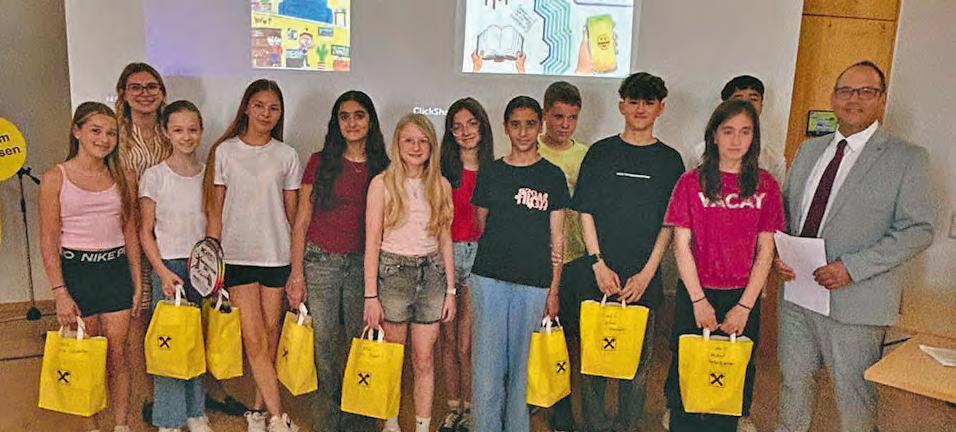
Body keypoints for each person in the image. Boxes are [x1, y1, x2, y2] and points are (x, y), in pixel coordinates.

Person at [773, 61, 935, 432]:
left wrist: (852, 267)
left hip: (857, 299)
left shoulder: (907, 158)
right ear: (833, 98)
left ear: (882, 99)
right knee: (794, 382)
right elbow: (786, 212)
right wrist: (780, 253)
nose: (854, 99)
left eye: (866, 91)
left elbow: (918, 229)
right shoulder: (809, 150)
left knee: (854, 395)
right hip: (798, 293)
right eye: (846, 91)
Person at [663, 99, 784, 431]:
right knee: (687, 378)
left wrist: (744, 307)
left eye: (745, 132)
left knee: (728, 382)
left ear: (754, 137)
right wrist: (698, 301)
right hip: (696, 293)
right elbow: (681, 245)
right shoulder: (691, 182)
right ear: (714, 135)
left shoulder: (766, 185)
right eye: (728, 131)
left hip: (742, 297)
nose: (736, 140)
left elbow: (766, 251)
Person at [574, 72, 684, 432]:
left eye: (648, 102)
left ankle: (627, 425)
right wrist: (597, 263)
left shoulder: (670, 160)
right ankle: (594, 426)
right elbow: (585, 210)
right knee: (593, 363)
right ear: (621, 105)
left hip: (643, 277)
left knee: (637, 365)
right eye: (633, 101)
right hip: (599, 273)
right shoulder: (600, 153)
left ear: (661, 108)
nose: (640, 109)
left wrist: (648, 273)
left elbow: (670, 223)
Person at [287, 90, 389, 432]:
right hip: (321, 263)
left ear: (370, 121)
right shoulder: (320, 161)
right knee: (325, 345)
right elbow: (302, 221)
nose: (352, 123)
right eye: (344, 116)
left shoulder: (383, 167)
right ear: (336, 123)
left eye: (359, 115)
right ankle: (328, 422)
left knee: (361, 343)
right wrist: (296, 274)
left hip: (364, 267)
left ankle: (358, 421)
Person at [204, 79, 301, 432]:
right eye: (259, 105)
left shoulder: (287, 155)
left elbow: (293, 215)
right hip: (237, 257)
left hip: (276, 256)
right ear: (246, 107)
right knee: (255, 339)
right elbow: (215, 212)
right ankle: (278, 417)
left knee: (270, 336)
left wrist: (297, 267)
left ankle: (258, 413)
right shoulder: (225, 152)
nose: (266, 113)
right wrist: (211, 265)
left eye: (273, 108)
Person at [39, 102, 142, 432]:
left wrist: (137, 282)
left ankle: (121, 425)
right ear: (77, 131)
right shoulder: (54, 178)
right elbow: (48, 240)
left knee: (118, 356)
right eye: (96, 131)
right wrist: (60, 293)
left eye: (111, 133)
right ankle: (92, 427)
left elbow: (130, 233)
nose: (104, 139)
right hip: (77, 274)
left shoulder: (124, 176)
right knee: (86, 357)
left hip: (115, 272)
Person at [469, 96, 569, 432]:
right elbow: (482, 223)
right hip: (489, 279)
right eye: (515, 124)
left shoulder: (552, 176)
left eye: (530, 124)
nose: (523, 132)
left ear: (540, 126)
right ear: (505, 128)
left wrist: (553, 290)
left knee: (524, 369)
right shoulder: (492, 172)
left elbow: (557, 239)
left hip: (534, 283)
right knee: (487, 366)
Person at [363, 114, 457, 432]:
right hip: (393, 275)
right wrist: (370, 295)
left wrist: (451, 291)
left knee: (424, 359)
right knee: (392, 359)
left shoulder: (440, 185)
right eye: (409, 141)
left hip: (431, 276)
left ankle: (421, 426)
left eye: (422, 141)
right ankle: (390, 423)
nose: (416, 147)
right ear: (398, 145)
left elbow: (445, 240)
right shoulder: (382, 184)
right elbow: (372, 242)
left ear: (431, 146)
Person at [138, 101, 214, 432]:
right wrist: (163, 272)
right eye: (178, 130)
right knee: (169, 345)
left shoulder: (208, 174)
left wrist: (213, 270)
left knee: (196, 342)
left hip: (201, 269)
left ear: (201, 131)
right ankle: (169, 419)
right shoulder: (155, 176)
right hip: (169, 268)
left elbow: (213, 222)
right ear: (166, 133)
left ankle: (196, 412)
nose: (186, 136)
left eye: (192, 129)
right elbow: (145, 231)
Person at [114, 62, 171, 421]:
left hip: (172, 238)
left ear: (162, 93)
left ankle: (177, 389)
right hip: (133, 240)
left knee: (174, 317)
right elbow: (127, 207)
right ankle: (152, 397)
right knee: (141, 317)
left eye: (152, 86)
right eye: (136, 87)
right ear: (123, 93)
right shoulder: (117, 139)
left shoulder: (172, 132)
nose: (145, 93)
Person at [436, 97, 495, 432]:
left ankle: (471, 409)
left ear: (483, 126)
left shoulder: (495, 170)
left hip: (478, 259)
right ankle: (453, 407)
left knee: (466, 342)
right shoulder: (441, 171)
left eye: (472, 124)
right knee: (447, 339)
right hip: (444, 257)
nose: (465, 132)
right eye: (457, 127)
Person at [535, 81, 589, 432]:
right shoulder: (531, 148)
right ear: (544, 115)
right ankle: (532, 395)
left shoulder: (586, 155)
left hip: (575, 257)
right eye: (557, 116)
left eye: (572, 117)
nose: (564, 124)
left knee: (566, 337)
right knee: (535, 333)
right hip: (535, 258)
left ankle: (562, 404)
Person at [688, 75, 786, 183]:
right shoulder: (700, 153)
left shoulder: (774, 160)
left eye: (753, 99)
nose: (746, 104)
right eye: (738, 99)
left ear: (761, 106)